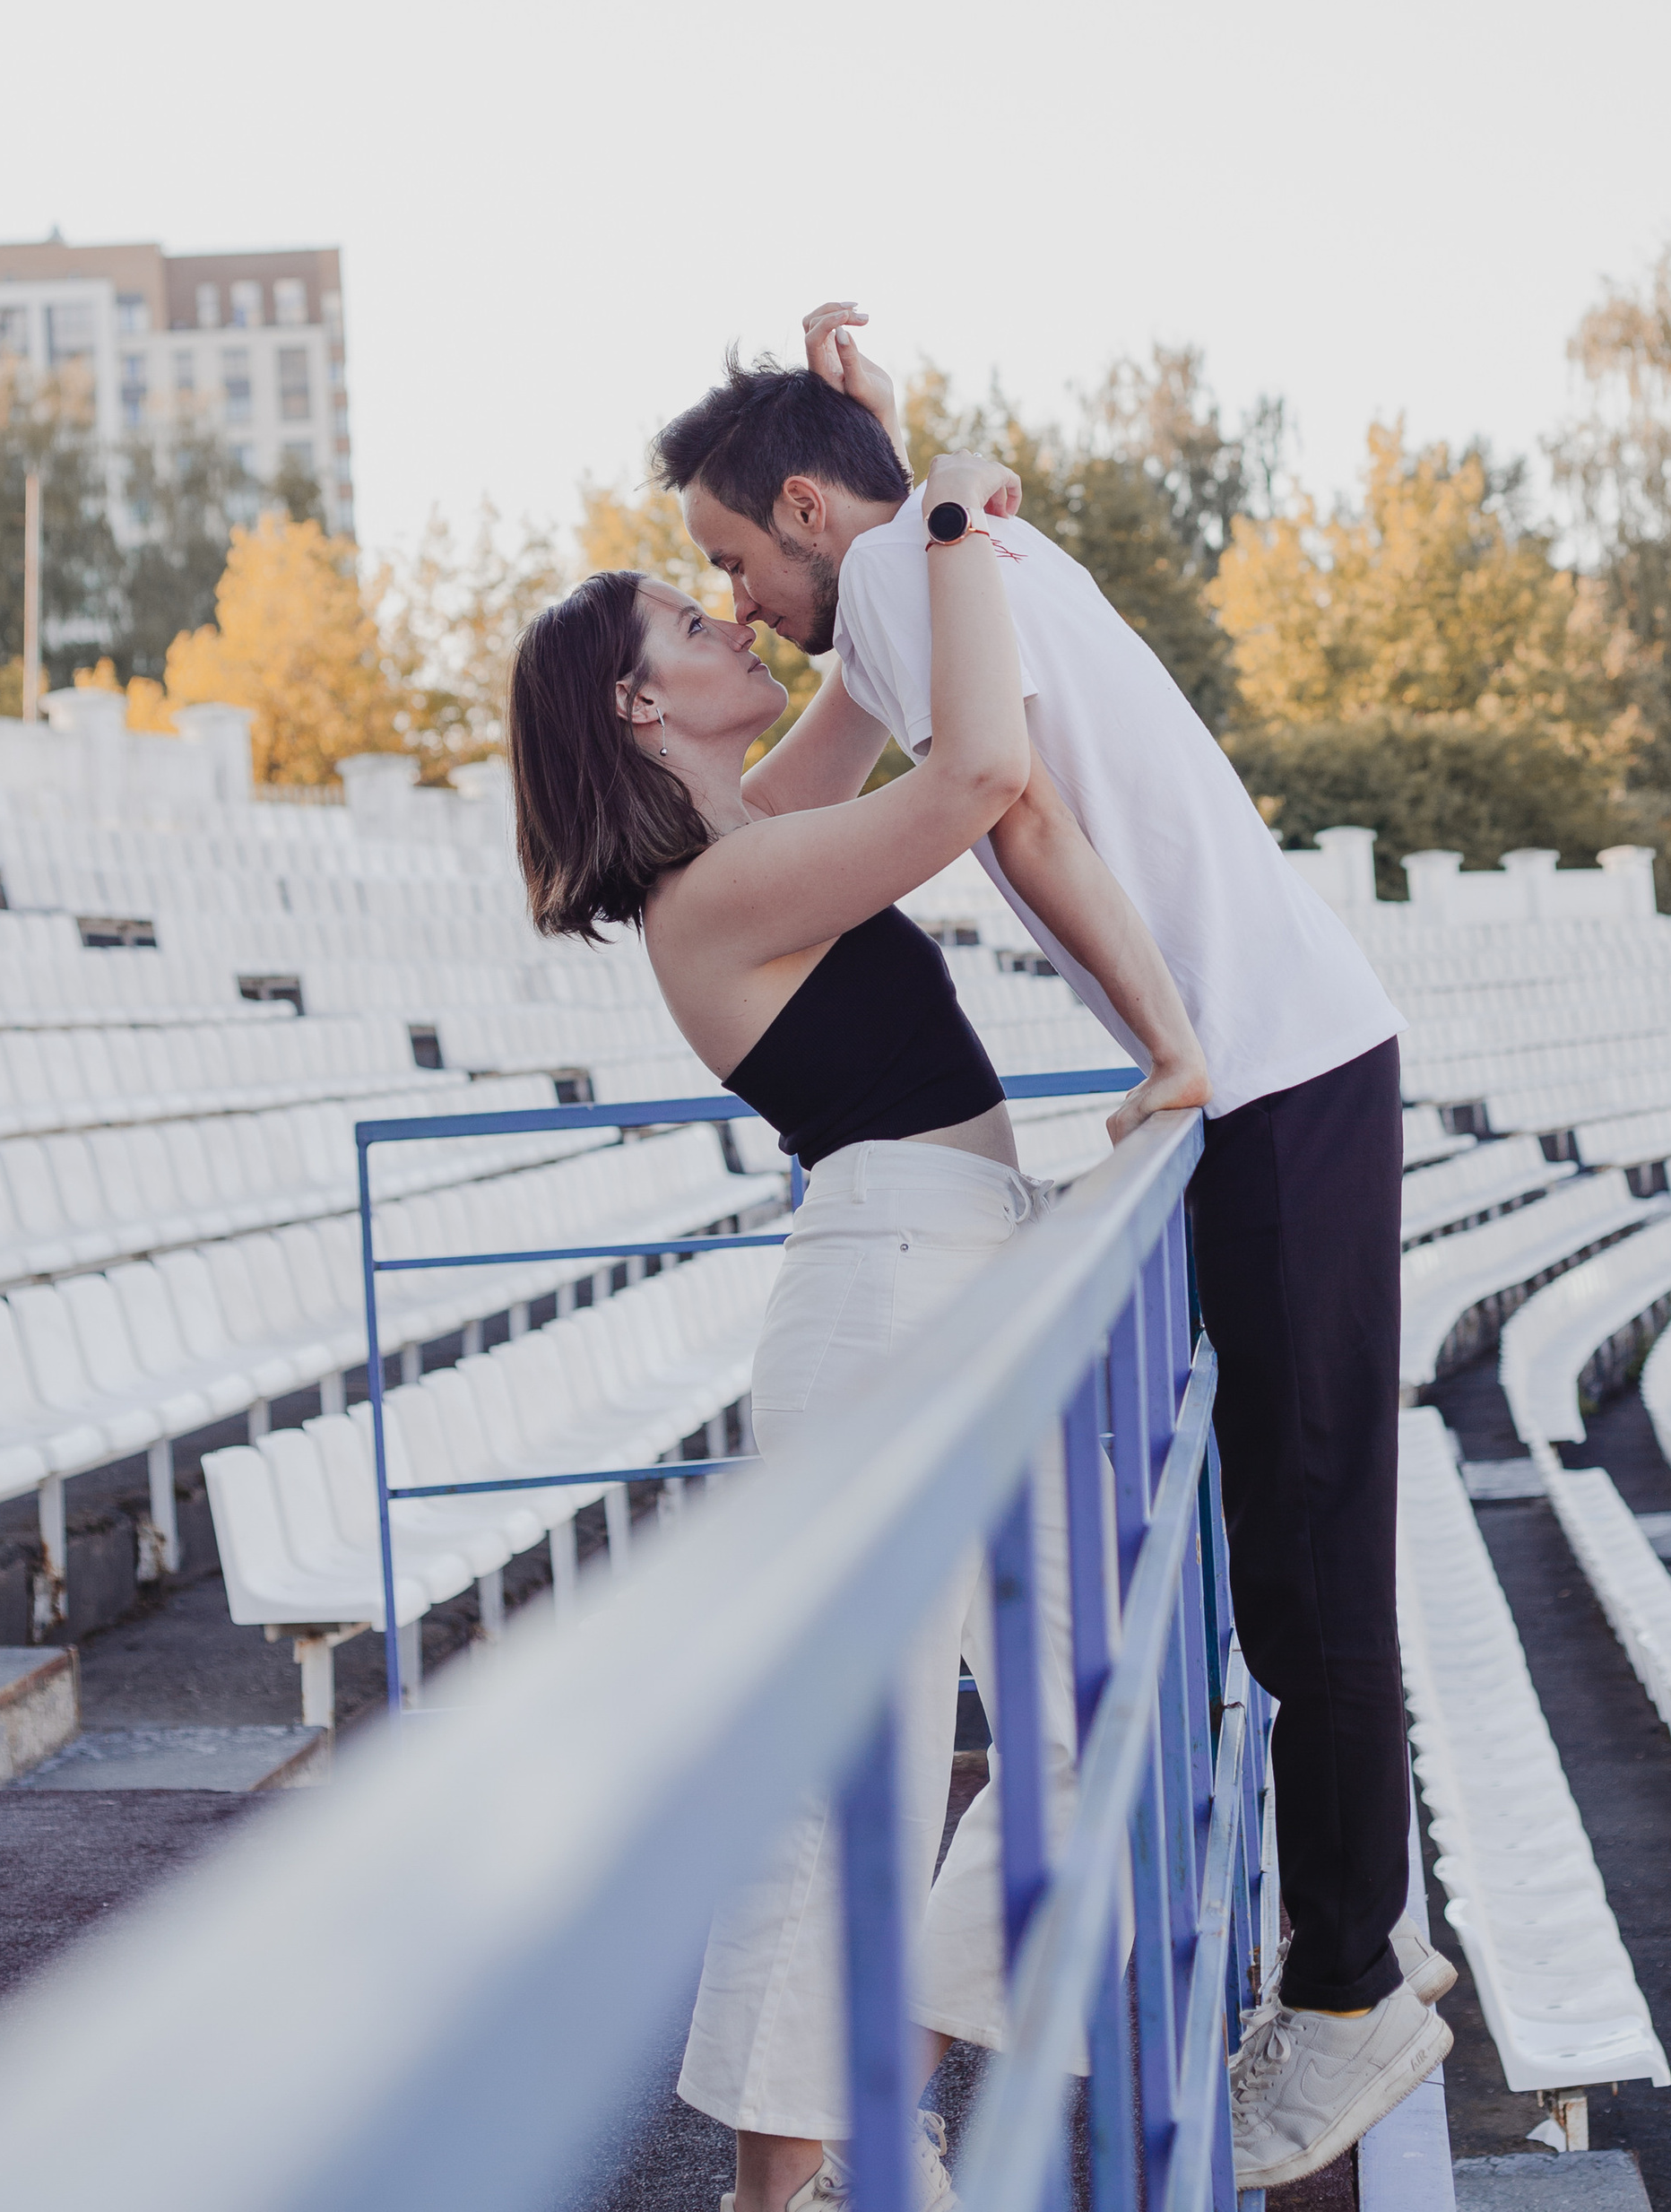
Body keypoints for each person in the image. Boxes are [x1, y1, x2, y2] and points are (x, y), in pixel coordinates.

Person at [653, 311, 1455, 2193]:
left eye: (728, 563)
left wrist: (1170, 1032)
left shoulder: (918, 571)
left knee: (1307, 1559)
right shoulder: (929, 567)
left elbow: (990, 781)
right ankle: (1339, 1975)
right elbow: (834, 761)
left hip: (1266, 1066)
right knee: (1288, 1557)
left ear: (796, 514)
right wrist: (898, 462)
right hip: (1268, 1063)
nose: (741, 609)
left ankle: (1342, 2000)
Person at [507, 452, 1091, 2212]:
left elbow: (861, 674)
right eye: (699, 612)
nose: (734, 605)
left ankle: (858, 2084)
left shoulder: (753, 824)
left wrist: (875, 465)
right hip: (886, 1288)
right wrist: (945, 534)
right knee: (860, 1753)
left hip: (967, 1271)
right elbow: (980, 770)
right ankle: (778, 2184)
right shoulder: (711, 899)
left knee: (1085, 1705)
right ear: (638, 704)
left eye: (726, 580)